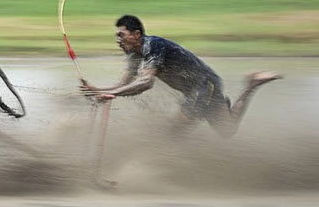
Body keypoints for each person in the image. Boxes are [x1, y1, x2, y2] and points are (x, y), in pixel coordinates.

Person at [79, 15, 281, 137]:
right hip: (200, 88)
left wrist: (113, 94)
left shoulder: (153, 46)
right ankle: (252, 84)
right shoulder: (134, 53)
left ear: (136, 35)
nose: (117, 40)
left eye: (121, 35)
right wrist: (97, 89)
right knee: (227, 131)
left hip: (204, 87)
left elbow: (145, 83)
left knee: (175, 132)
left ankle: (159, 169)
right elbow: (124, 83)